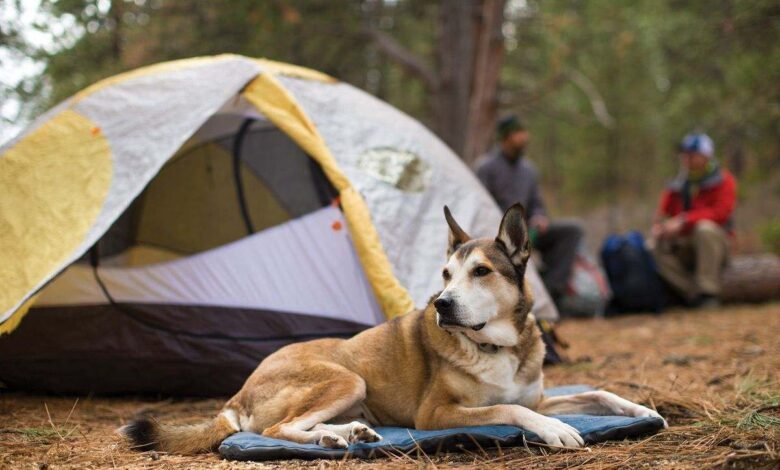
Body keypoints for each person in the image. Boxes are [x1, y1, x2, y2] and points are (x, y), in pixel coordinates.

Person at [474, 114, 583, 304]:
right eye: (518, 133)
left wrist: (540, 217)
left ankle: (552, 290)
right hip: (498, 236)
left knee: (572, 230)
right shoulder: (486, 167)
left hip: (530, 232)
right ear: (505, 138)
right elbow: (479, 206)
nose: (525, 137)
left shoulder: (529, 170)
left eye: (524, 132)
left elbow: (537, 204)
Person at [650, 132, 737, 308]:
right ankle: (693, 294)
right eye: (684, 154)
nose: (686, 159)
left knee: (704, 229)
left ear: (706, 156)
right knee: (651, 245)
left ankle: (708, 292)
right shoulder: (676, 185)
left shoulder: (724, 181)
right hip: (684, 244)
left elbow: (720, 214)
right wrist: (660, 229)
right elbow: (661, 215)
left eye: (692, 154)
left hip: (716, 243)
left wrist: (685, 220)